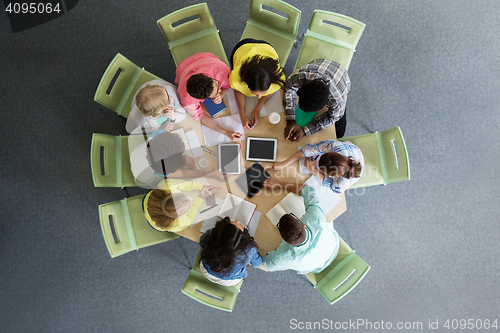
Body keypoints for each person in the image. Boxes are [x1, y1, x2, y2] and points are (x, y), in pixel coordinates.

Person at [261, 180, 339, 274]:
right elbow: (308, 190)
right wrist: (280, 184)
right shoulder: (316, 219)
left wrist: (275, 253)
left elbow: (267, 263)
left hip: (317, 266)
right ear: (303, 225)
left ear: (284, 240)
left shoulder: (284, 257)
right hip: (333, 247)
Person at [175, 52, 242, 141]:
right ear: (201, 99)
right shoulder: (187, 100)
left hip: (204, 58)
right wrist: (225, 131)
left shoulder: (220, 67)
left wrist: (221, 94)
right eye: (215, 93)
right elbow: (200, 117)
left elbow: (228, 85)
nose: (220, 90)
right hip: (183, 69)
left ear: (207, 76)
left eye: (217, 86)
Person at [129, 130, 228, 188]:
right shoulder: (161, 170)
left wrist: (183, 156)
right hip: (139, 174)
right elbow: (183, 173)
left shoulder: (158, 135)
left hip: (136, 155)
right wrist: (209, 174)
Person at [283, 59, 350, 141]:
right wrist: (290, 120)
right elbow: (288, 89)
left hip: (341, 77)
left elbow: (333, 117)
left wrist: (305, 131)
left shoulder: (338, 100)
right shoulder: (300, 75)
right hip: (321, 64)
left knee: (339, 132)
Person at [268, 140, 364, 194]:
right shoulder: (333, 146)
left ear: (333, 176)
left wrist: (314, 170)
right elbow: (308, 150)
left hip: (355, 161)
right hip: (351, 149)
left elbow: (331, 186)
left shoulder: (342, 183)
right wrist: (284, 163)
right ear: (330, 152)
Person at [229, 39, 285, 130]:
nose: (259, 97)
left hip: (267, 47)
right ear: (245, 83)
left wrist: (257, 109)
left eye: (263, 93)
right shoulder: (235, 79)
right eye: (255, 93)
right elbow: (238, 91)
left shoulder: (279, 79)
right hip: (243, 47)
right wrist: (242, 115)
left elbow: (272, 91)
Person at [199, 217, 263, 286]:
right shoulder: (250, 249)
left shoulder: (212, 234)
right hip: (231, 281)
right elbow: (257, 264)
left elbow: (202, 241)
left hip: (207, 271)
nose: (237, 220)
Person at [143, 178, 221, 232]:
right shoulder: (180, 223)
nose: (190, 199)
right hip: (155, 222)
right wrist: (200, 198)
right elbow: (190, 218)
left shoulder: (166, 185)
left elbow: (183, 184)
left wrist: (201, 187)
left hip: (148, 202)